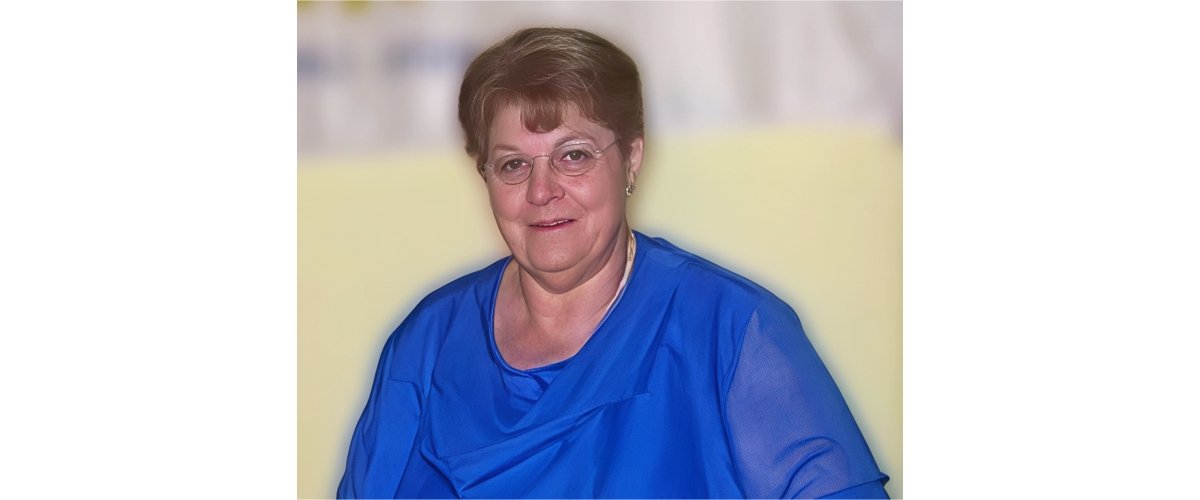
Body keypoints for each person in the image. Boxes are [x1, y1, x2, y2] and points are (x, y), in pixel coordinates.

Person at [337, 27, 889, 498]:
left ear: (631, 159)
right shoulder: (426, 344)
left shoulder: (732, 330)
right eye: (512, 165)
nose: (541, 191)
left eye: (573, 155)